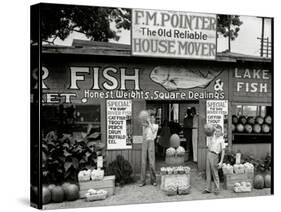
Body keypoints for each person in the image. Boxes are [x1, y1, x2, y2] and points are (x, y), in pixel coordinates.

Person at [202, 124, 225, 195]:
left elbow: (223, 151)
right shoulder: (212, 136)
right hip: (209, 153)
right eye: (216, 131)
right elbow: (208, 129)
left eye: (219, 131)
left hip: (215, 155)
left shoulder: (221, 140)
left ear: (221, 132)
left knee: (215, 173)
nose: (217, 133)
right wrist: (214, 129)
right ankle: (208, 189)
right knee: (208, 172)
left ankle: (217, 189)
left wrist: (221, 162)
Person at [139, 113, 159, 187]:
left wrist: (149, 123)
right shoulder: (146, 126)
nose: (151, 119)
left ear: (155, 119)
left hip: (151, 142)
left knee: (151, 162)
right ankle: (142, 181)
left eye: (153, 118)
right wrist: (145, 124)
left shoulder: (156, 126)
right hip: (144, 142)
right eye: (150, 118)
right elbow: (143, 133)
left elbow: (153, 131)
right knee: (143, 162)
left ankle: (153, 180)